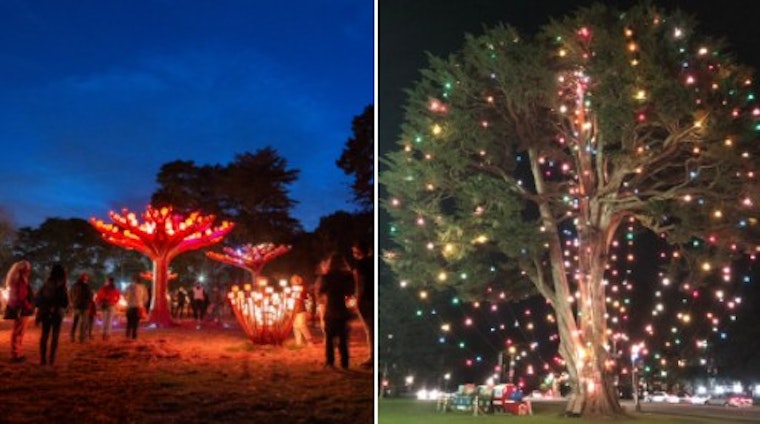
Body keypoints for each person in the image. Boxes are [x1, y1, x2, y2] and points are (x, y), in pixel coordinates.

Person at [316, 253, 355, 369]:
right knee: (343, 338)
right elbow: (350, 292)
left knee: (329, 338)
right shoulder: (346, 276)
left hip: (331, 309)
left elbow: (321, 291)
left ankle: (330, 361)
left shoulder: (327, 276)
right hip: (341, 309)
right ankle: (345, 362)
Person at [36, 263, 69, 365]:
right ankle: (51, 359)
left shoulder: (46, 283)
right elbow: (65, 302)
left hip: (46, 312)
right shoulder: (62, 285)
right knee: (55, 337)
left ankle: (43, 359)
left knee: (44, 335)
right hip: (57, 313)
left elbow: (39, 297)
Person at [4, 260, 34, 362]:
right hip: (22, 309)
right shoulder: (20, 280)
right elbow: (21, 297)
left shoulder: (17, 279)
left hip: (20, 308)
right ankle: (16, 354)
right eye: (28, 269)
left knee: (18, 332)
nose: (29, 271)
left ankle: (17, 353)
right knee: (18, 332)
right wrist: (28, 306)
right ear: (23, 270)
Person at [352, 241, 374, 368]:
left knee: (370, 329)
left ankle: (373, 357)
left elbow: (359, 284)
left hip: (366, 299)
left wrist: (358, 300)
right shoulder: (373, 262)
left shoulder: (360, 265)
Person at [69, 272, 93, 343]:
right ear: (85, 278)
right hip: (84, 306)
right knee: (83, 322)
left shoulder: (74, 285)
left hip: (76, 306)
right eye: (86, 277)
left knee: (75, 322)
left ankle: (72, 336)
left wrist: (72, 302)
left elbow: (70, 294)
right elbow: (90, 296)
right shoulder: (86, 286)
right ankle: (82, 338)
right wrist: (89, 302)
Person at [95, 276, 121, 340]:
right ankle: (107, 334)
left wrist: (99, 303)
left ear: (107, 281)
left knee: (104, 320)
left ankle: (104, 334)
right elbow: (118, 297)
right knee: (109, 321)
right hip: (112, 305)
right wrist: (114, 302)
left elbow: (99, 297)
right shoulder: (115, 289)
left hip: (105, 305)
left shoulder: (103, 289)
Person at [291, 274, 313, 346]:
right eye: (293, 280)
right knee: (295, 326)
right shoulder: (293, 289)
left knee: (302, 325)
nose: (293, 282)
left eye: (295, 280)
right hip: (294, 309)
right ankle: (299, 342)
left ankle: (309, 340)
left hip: (301, 309)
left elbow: (303, 298)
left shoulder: (301, 288)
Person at [124, 275, 148, 339]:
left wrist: (128, 301)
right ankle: (134, 334)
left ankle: (128, 334)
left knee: (129, 321)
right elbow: (146, 298)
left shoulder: (128, 287)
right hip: (138, 306)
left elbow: (124, 295)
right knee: (136, 321)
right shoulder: (143, 287)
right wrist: (142, 303)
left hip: (130, 306)